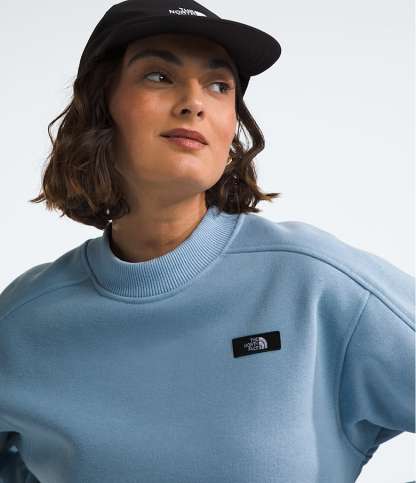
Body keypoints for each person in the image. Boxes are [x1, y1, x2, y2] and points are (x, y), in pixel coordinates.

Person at [0, 1, 414, 482]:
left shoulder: (314, 282)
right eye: (159, 76)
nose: (194, 102)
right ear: (101, 105)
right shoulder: (23, 324)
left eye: (219, 85)